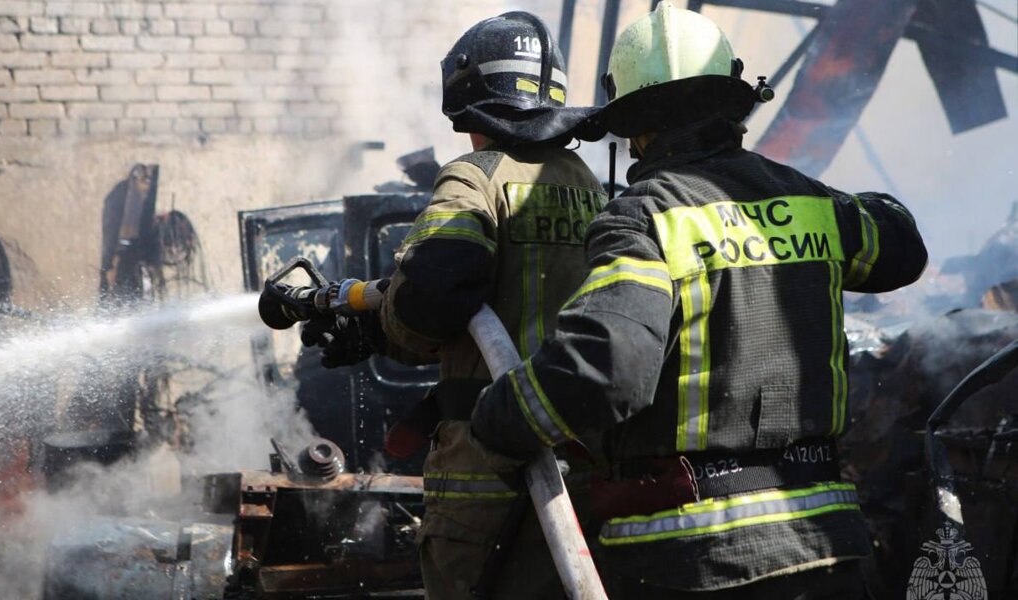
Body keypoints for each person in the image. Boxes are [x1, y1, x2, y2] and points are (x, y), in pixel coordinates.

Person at [469, 3, 928, 597]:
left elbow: (605, 370)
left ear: (637, 126)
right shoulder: (815, 206)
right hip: (829, 555)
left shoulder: (641, 219)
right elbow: (900, 246)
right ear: (734, 105)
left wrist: (499, 413)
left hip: (693, 562)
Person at [304, 11, 607, 599]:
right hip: (587, 469)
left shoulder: (474, 177)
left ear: (468, 92)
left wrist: (384, 325)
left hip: (485, 475)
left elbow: (431, 297)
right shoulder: (590, 188)